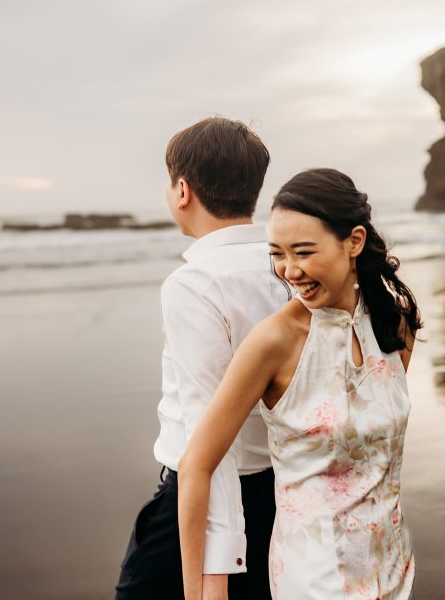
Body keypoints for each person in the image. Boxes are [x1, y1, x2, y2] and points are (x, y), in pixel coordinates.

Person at [178, 168, 422, 600]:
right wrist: (201, 591)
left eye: (303, 252)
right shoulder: (274, 341)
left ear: (355, 242)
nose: (290, 270)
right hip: (315, 582)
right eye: (277, 253)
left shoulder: (392, 323)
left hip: (394, 571)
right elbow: (197, 463)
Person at [115, 117, 290, 600]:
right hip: (286, 491)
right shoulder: (292, 265)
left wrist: (214, 574)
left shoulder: (196, 284)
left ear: (183, 191)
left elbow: (207, 439)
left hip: (202, 499)